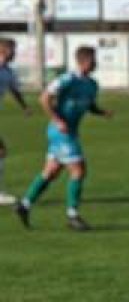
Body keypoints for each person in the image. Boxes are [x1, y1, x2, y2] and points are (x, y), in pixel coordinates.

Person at [14, 46, 111, 231]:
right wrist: (57, 120)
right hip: (61, 132)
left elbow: (90, 106)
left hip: (70, 131)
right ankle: (72, 215)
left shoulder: (92, 84)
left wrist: (101, 112)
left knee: (51, 172)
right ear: (84, 61)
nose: (96, 63)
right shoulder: (67, 79)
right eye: (93, 60)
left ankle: (24, 205)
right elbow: (44, 98)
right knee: (78, 170)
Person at [0, 38, 31, 205]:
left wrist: (24, 106)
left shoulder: (8, 72)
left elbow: (14, 90)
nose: (15, 54)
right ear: (4, 51)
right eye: (13, 50)